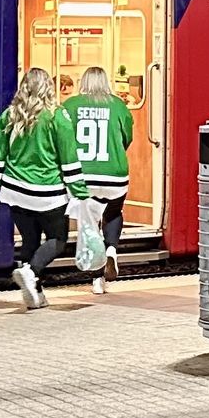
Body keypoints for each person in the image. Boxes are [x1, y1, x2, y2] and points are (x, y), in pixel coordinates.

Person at [0, 67, 89, 309]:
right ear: (48, 87)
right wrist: (80, 190)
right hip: (49, 193)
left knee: (30, 241)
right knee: (58, 240)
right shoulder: (57, 116)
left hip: (15, 191)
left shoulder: (9, 116)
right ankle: (31, 271)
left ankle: (35, 295)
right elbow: (68, 158)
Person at [62, 66, 135, 295]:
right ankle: (112, 250)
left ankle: (97, 280)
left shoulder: (70, 106)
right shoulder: (118, 105)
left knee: (90, 224)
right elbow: (127, 137)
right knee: (113, 213)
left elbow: (61, 139)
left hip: (84, 175)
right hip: (115, 173)